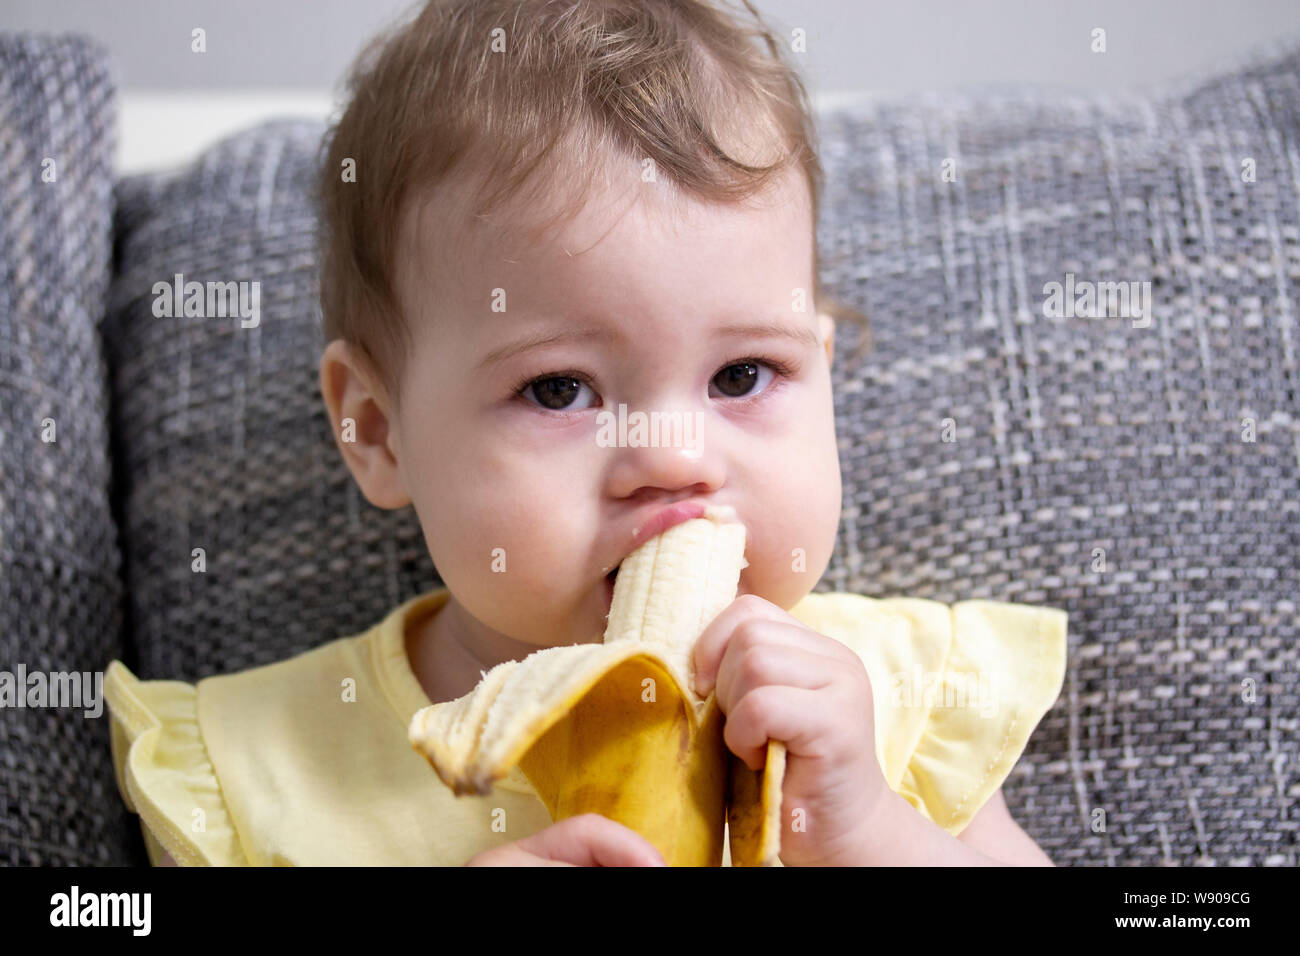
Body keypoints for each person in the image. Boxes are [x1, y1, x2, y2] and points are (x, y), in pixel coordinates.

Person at [104, 0, 1065, 866]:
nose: (674, 457)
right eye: (560, 389)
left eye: (741, 375)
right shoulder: (270, 763)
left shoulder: (887, 703)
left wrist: (870, 835)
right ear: (377, 430)